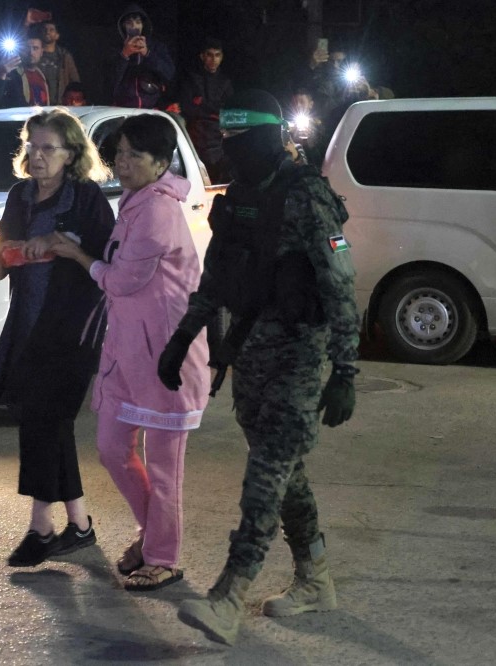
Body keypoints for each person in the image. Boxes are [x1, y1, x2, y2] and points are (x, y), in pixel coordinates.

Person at [157, 90, 359, 645]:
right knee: (285, 472)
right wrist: (182, 341)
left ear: (270, 138)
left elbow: (341, 285)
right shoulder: (240, 197)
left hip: (297, 356)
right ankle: (315, 579)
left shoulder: (308, 197)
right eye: (227, 140)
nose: (232, 151)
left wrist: (345, 371)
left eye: (242, 141)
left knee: (265, 478)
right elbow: (217, 278)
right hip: (249, 354)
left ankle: (229, 595)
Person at [49, 113, 210, 590]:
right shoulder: (136, 203)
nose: (122, 163)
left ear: (161, 162)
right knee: (112, 447)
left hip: (166, 358)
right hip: (126, 352)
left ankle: (164, 556)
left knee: (165, 466)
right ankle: (153, 534)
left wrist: (79, 256)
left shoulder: (158, 211)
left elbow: (122, 280)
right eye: (118, 153)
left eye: (134, 155)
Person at [0, 108, 114, 567]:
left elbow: (106, 265)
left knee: (44, 421)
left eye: (47, 148)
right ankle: (80, 526)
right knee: (50, 423)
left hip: (72, 328)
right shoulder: (20, 196)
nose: (37, 156)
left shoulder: (87, 198)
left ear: (71, 153)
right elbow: (1, 255)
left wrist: (62, 245)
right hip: (27, 324)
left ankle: (41, 527)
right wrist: (5, 254)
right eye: (31, 146)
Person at [178, 37, 234, 183]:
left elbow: (229, 111)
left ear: (222, 57)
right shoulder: (191, 78)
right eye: (209, 55)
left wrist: (202, 105)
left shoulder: (225, 82)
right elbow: (187, 108)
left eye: (217, 55)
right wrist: (213, 111)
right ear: (202, 56)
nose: (213, 59)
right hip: (195, 137)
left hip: (219, 139)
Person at [105, 4, 175, 109]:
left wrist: (148, 54)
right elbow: (110, 82)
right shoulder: (115, 49)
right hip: (123, 108)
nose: (134, 26)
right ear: (123, 26)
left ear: (143, 25)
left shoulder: (156, 47)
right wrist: (124, 55)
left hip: (152, 108)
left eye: (138, 22)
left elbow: (169, 74)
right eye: (129, 23)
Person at [0, 29, 49, 107]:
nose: (31, 52)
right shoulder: (12, 74)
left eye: (35, 48)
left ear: (41, 52)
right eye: (27, 48)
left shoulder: (42, 75)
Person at [35, 20, 81, 107]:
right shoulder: (34, 54)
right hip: (38, 104)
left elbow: (75, 81)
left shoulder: (64, 56)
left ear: (57, 35)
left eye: (51, 29)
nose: (47, 32)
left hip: (60, 104)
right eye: (45, 29)